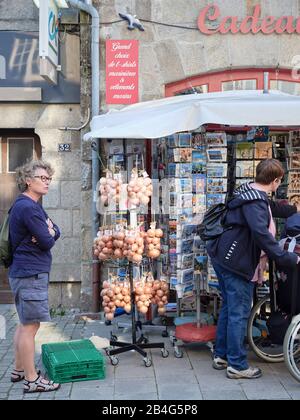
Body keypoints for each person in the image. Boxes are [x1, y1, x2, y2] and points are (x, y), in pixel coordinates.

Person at [207, 159, 300, 380]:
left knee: (230, 308)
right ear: (275, 180)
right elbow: (263, 236)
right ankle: (237, 365)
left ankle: (222, 355)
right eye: (279, 181)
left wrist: (294, 208)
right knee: (238, 312)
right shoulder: (255, 203)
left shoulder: (250, 191)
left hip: (224, 257)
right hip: (236, 262)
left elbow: (272, 207)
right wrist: (288, 258)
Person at [8, 160, 61, 393]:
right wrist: (45, 234)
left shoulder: (32, 205)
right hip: (30, 272)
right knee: (31, 326)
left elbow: (55, 230)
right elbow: (48, 240)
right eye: (42, 178)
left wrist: (46, 233)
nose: (47, 182)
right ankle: (32, 380)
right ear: (28, 180)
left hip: (26, 271)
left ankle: (19, 370)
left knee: (24, 324)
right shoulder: (28, 208)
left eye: (49, 178)